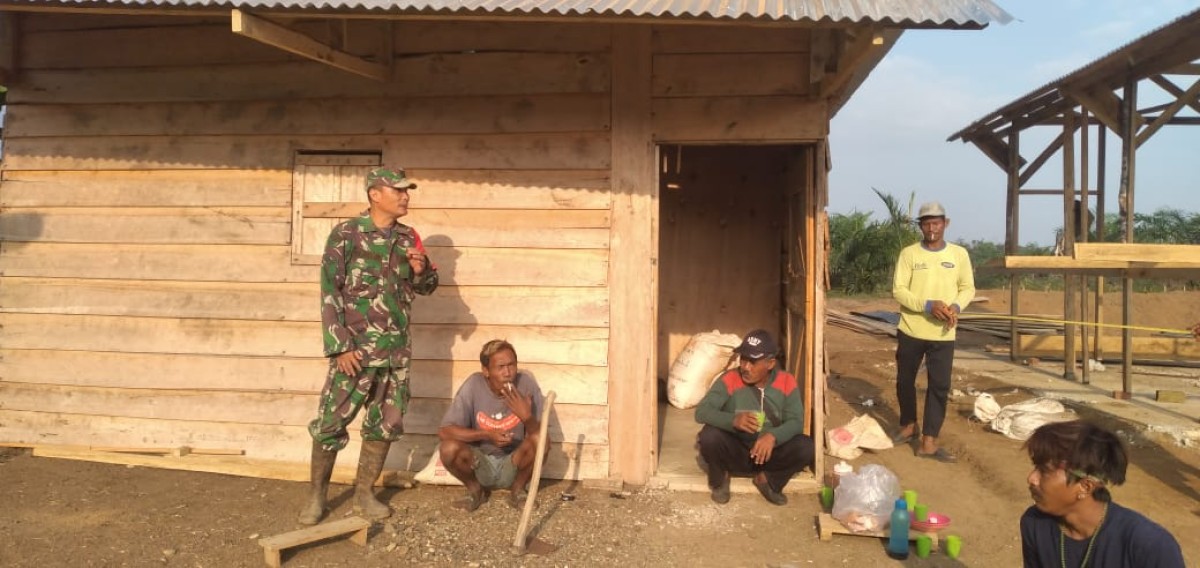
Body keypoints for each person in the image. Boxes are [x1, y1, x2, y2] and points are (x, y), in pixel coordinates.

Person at [297, 167, 439, 525]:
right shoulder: (346, 234)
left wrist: (422, 271)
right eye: (399, 190)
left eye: (408, 191)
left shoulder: (410, 238)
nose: (406, 196)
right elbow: (330, 292)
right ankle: (317, 498)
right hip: (355, 353)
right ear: (375, 194)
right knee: (330, 423)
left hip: (395, 354)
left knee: (384, 425)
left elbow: (428, 287)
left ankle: (365, 493)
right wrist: (339, 346)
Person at [1020, 420, 1185, 567]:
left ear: (1085, 487)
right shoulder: (1035, 524)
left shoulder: (1150, 545)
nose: (1031, 478)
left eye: (1044, 471)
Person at [890, 201, 975, 463]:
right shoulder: (909, 254)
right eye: (926, 224)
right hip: (911, 329)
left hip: (943, 333)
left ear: (945, 224)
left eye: (936, 223)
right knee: (905, 381)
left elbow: (967, 287)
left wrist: (955, 306)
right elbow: (899, 290)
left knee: (939, 386)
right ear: (921, 226)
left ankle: (929, 441)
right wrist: (928, 306)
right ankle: (908, 425)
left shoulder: (959, 254)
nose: (931, 228)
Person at [694, 329, 815, 506]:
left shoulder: (787, 381)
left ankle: (767, 480)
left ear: (770, 363)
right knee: (709, 436)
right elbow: (702, 412)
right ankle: (721, 479)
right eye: (743, 359)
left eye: (752, 361)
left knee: (806, 446)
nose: (745, 367)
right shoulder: (730, 378)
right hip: (736, 452)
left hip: (768, 455)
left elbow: (796, 421)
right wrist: (733, 420)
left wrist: (773, 436)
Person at [438, 340, 547, 511]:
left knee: (541, 439)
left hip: (514, 463)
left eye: (512, 365)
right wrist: (487, 434)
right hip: (480, 463)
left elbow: (541, 436)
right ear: (486, 371)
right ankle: (475, 491)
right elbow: (445, 432)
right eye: (501, 367)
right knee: (448, 448)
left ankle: (518, 491)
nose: (508, 372)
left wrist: (527, 417)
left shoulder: (525, 384)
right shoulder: (474, 385)